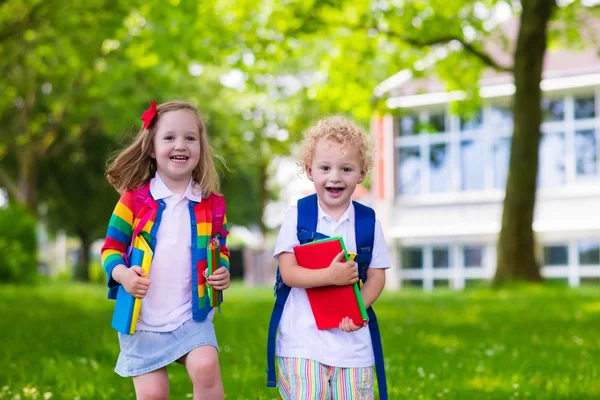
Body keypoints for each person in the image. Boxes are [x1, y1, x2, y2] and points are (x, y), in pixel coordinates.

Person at [101, 100, 231, 400]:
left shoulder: (210, 204)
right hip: (142, 320)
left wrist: (221, 270)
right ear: (151, 147)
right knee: (153, 395)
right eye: (169, 137)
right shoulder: (133, 201)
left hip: (190, 316)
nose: (180, 145)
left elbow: (219, 249)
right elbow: (110, 249)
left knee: (206, 366)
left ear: (200, 146)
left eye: (190, 137)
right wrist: (123, 275)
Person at [267, 116, 390, 399]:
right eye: (325, 168)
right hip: (302, 343)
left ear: (362, 174)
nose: (335, 177)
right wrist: (329, 276)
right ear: (310, 171)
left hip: (353, 346)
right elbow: (288, 272)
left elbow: (376, 275)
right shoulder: (297, 216)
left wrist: (360, 311)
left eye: (346, 169)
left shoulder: (369, 223)